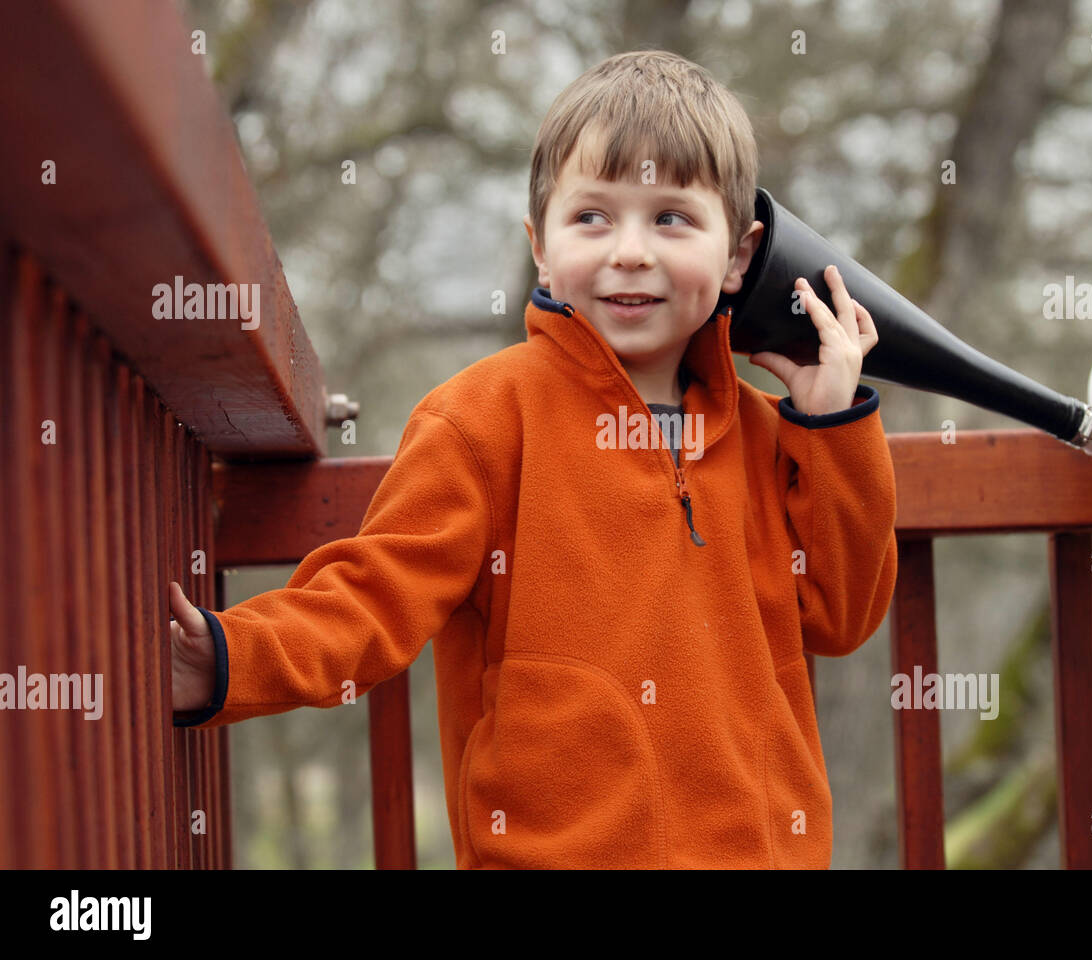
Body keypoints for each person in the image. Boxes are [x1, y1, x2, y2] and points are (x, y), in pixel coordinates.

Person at [169, 49, 897, 869]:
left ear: (739, 256)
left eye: (671, 218)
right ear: (540, 246)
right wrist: (230, 660)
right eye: (592, 216)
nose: (630, 251)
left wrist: (832, 428)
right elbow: (371, 598)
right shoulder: (482, 419)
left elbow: (842, 617)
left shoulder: (774, 436)